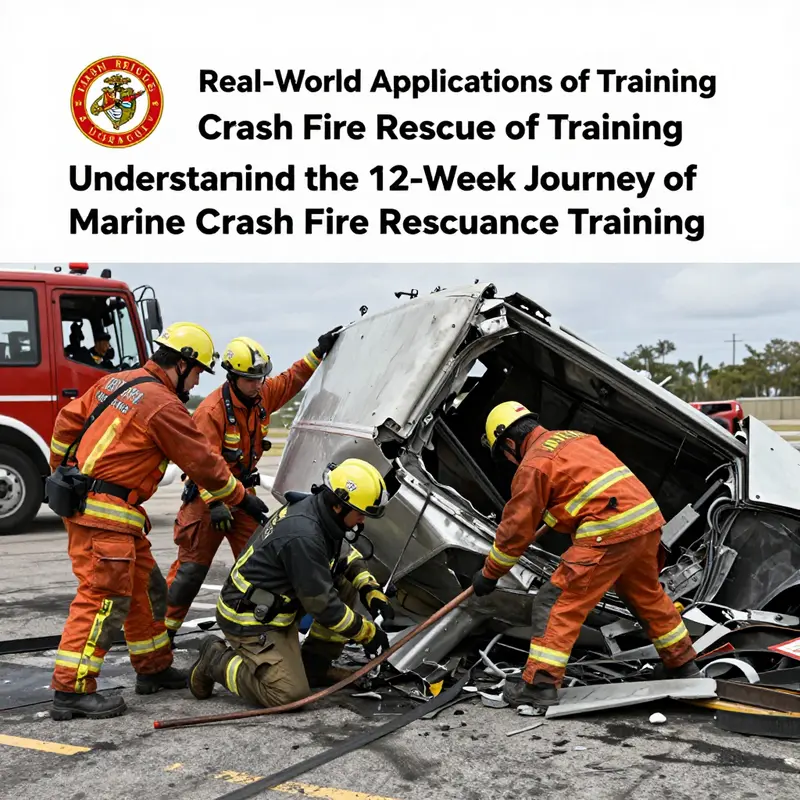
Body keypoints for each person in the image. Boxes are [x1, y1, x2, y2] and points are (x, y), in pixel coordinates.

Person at [48, 321, 269, 721]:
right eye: (199, 370)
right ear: (182, 365)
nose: (199, 379)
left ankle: (153, 668)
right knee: (103, 599)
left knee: (147, 591)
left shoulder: (117, 382)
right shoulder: (164, 406)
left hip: (113, 514)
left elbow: (66, 421)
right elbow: (203, 462)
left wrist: (64, 472)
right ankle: (72, 690)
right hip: (106, 517)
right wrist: (243, 500)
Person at [472, 401, 700, 710]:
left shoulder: (533, 465)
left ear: (509, 443)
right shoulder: (574, 438)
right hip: (645, 522)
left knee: (555, 603)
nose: (508, 459)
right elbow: (581, 492)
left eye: (504, 453)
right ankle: (682, 664)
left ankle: (539, 684)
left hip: (610, 530)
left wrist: (489, 574)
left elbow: (514, 533)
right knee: (647, 596)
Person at [163, 327, 342, 640]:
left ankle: (262, 633)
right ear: (232, 377)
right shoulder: (211, 412)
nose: (258, 385)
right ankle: (159, 640)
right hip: (207, 504)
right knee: (189, 575)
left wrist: (318, 352)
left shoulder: (261, 396)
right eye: (250, 379)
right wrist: (215, 503)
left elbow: (291, 379)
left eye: (261, 378)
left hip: (243, 497)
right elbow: (198, 461)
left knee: (264, 562)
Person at [188, 458, 394, 708]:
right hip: (251, 619)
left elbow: (345, 556)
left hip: (280, 603)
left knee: (346, 582)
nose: (362, 521)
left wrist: (370, 590)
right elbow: (324, 607)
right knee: (288, 695)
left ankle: (314, 667)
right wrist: (368, 633)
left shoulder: (321, 512)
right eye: (360, 514)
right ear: (339, 505)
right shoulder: (304, 536)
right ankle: (216, 660)